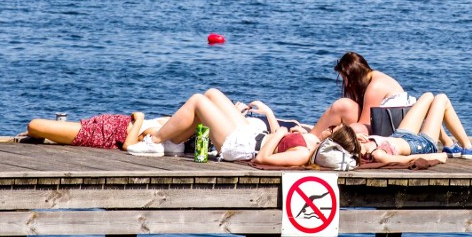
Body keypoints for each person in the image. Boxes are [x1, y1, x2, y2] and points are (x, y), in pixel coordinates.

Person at [127, 88, 281, 161]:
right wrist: (269, 113)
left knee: (197, 100)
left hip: (243, 145)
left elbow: (264, 158)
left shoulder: (302, 152)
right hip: (252, 134)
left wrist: (283, 132)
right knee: (211, 93)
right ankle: (174, 142)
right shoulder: (302, 136)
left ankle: (154, 141)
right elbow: (278, 135)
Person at [342, 91, 472, 165]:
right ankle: (467, 148)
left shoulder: (362, 141)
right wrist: (438, 157)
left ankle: (449, 145)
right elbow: (410, 159)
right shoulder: (377, 154)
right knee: (441, 99)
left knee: (427, 97)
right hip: (421, 145)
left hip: (400, 135)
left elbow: (323, 137)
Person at [310, 52, 407, 137]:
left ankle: (312, 138)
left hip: (387, 131)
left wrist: (335, 131)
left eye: (345, 79)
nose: (346, 84)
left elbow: (363, 126)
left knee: (343, 107)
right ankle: (313, 135)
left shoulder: (375, 88)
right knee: (344, 107)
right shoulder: (377, 78)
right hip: (390, 126)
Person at [24, 111, 160, 151]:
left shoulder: (158, 132)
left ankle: (41, 132)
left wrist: (140, 119)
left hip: (101, 135)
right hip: (98, 127)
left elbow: (129, 146)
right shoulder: (169, 123)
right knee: (38, 127)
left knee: (34, 125)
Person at [253, 124, 359, 167]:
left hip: (249, 144)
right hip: (256, 134)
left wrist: (280, 132)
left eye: (332, 128)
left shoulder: (303, 154)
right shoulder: (314, 141)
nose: (328, 127)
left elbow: (261, 158)